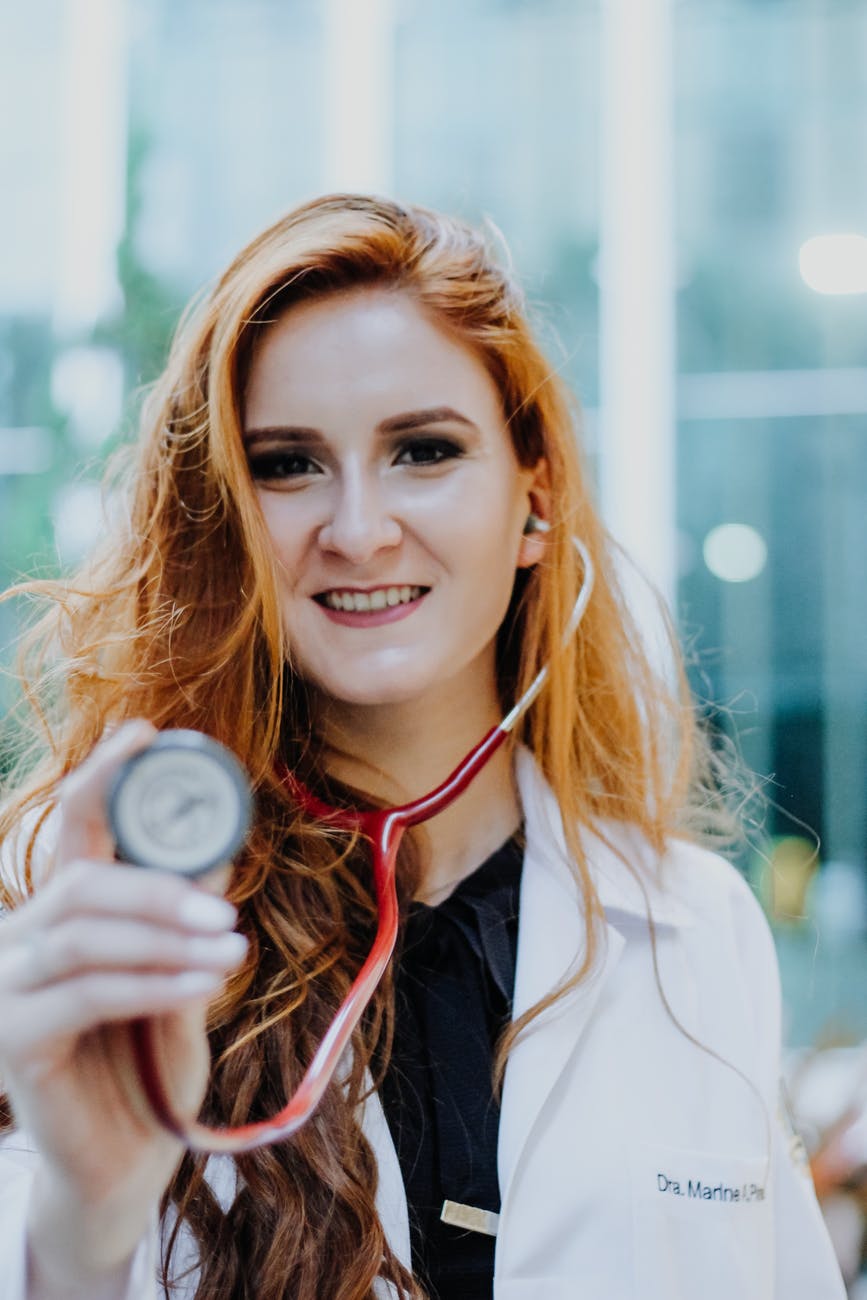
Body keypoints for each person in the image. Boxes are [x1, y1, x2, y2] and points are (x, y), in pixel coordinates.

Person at [0, 194, 845, 1300]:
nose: (356, 529)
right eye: (288, 464)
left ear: (533, 497)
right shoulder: (72, 910)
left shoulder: (699, 929)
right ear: (228, 520)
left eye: (424, 450)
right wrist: (85, 1223)